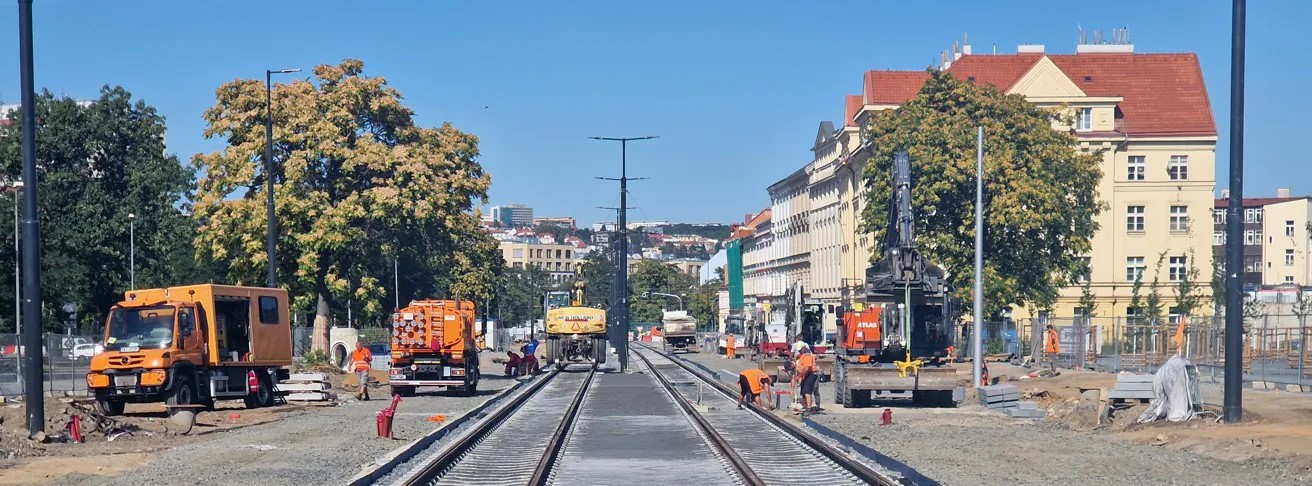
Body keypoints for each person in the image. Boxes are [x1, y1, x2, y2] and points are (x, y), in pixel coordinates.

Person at [796, 346, 819, 414]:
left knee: (807, 391)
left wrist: (800, 376)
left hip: (809, 374)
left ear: (803, 348)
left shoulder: (807, 355)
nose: (799, 352)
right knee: (803, 392)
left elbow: (807, 368)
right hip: (805, 375)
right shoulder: (803, 355)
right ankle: (806, 406)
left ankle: (809, 408)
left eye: (800, 350)